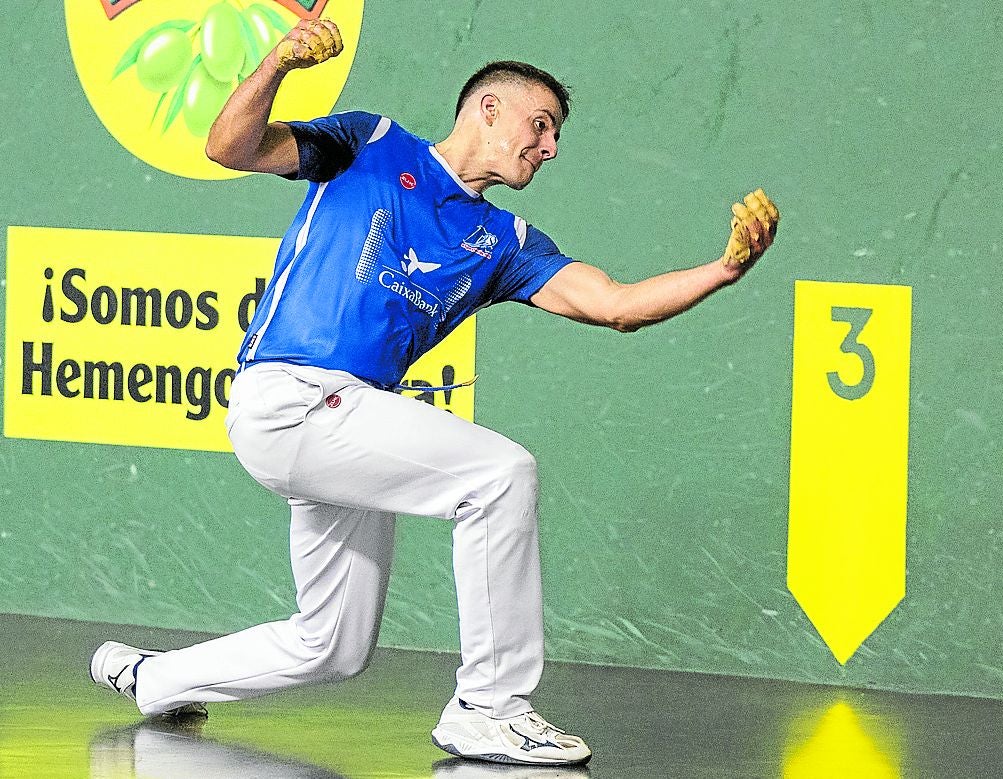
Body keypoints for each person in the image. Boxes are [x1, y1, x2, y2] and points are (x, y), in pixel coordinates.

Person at [89, 17, 778, 768]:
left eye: (554, 137)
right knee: (498, 474)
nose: (549, 148)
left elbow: (613, 304)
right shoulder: (370, 144)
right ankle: (489, 707)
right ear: (487, 109)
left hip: (346, 426)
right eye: (540, 126)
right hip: (292, 398)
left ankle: (151, 676)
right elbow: (229, 147)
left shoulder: (504, 243)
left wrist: (723, 270)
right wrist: (278, 62)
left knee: (332, 644)